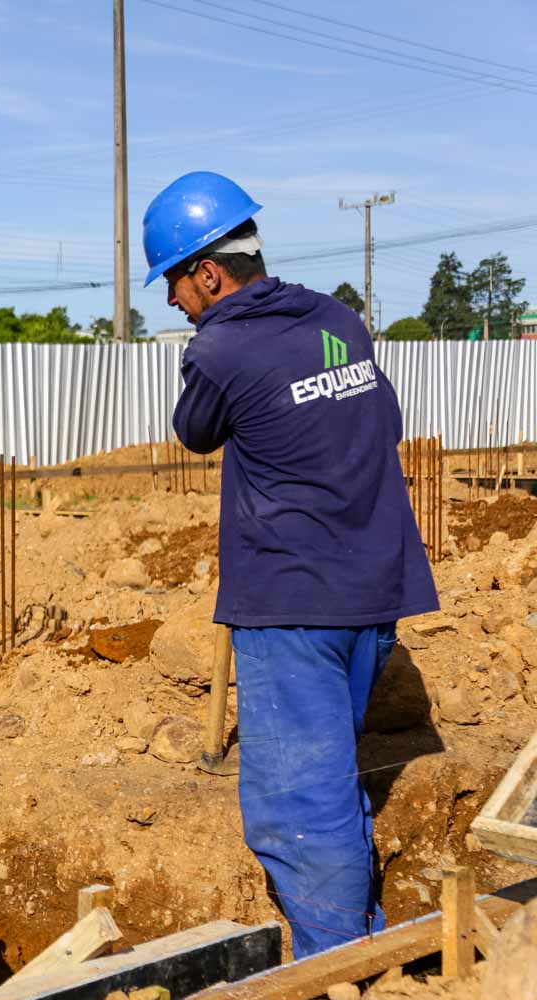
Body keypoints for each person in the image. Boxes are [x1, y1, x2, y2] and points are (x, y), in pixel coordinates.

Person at [144, 171, 439, 958]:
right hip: (372, 594)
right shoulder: (340, 319)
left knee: (298, 803)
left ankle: (338, 973)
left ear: (209, 271)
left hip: (292, 605)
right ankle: (361, 933)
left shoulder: (221, 346)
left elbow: (195, 432)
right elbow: (380, 420)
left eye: (174, 282)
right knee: (331, 773)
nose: (172, 301)